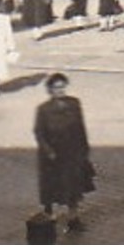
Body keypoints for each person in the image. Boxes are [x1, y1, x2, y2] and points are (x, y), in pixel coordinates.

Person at [34, 73, 93, 235]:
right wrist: (49, 152)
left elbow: (81, 126)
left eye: (62, 87)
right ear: (50, 90)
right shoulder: (43, 109)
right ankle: (49, 216)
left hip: (72, 152)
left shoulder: (74, 103)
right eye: (56, 88)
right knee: (52, 189)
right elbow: (39, 133)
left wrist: (85, 148)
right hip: (52, 157)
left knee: (74, 188)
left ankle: (73, 219)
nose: (60, 91)